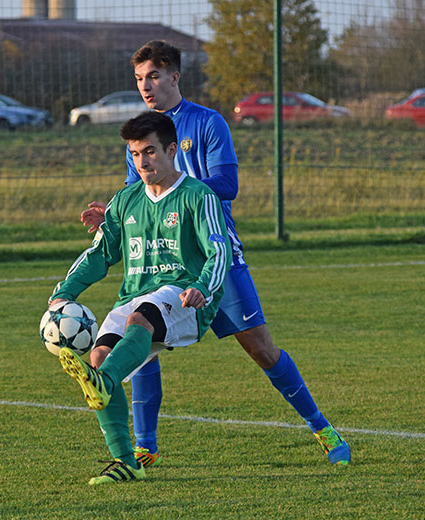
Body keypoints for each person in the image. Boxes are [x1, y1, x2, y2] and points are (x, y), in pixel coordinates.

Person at [81, 40, 350, 467]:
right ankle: (144, 448)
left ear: (174, 76)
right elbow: (139, 193)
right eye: (138, 79)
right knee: (141, 339)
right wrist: (110, 211)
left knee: (261, 349)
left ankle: (322, 428)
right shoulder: (138, 133)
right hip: (160, 259)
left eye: (153, 76)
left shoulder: (207, 123)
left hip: (214, 256)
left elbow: (228, 185)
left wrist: (180, 186)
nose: (145, 86)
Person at [50, 111, 232, 485]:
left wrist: (204, 287)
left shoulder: (198, 196)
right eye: (135, 154)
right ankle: (125, 461)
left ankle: (103, 384)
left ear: (170, 150)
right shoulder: (125, 201)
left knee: (140, 321)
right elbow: (100, 254)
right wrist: (64, 292)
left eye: (149, 152)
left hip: (185, 296)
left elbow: (220, 249)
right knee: (100, 357)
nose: (142, 161)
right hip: (135, 294)